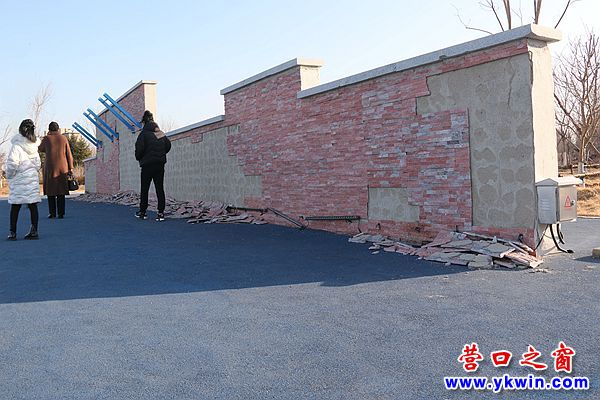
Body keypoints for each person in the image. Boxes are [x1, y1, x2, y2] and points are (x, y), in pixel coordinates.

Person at [4, 119, 41, 240]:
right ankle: (34, 231)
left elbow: (12, 164)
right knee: (33, 206)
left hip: (19, 180)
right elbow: (38, 164)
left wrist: (9, 175)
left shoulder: (16, 146)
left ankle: (13, 232)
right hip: (31, 180)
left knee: (15, 206)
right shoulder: (34, 146)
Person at [135, 110, 171, 221]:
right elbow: (168, 146)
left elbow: (139, 150)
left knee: (144, 189)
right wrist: (160, 154)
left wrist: (139, 158)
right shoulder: (159, 133)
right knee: (159, 188)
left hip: (147, 165)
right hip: (160, 165)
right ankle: (161, 213)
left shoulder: (143, 134)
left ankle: (143, 212)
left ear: (144, 122)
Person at [38, 121, 73, 219]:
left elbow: (40, 149)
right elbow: (69, 154)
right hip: (62, 168)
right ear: (58, 129)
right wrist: (71, 167)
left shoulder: (46, 138)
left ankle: (52, 213)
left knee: (51, 191)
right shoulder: (63, 138)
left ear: (49, 129)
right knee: (61, 191)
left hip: (50, 167)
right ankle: (61, 213)